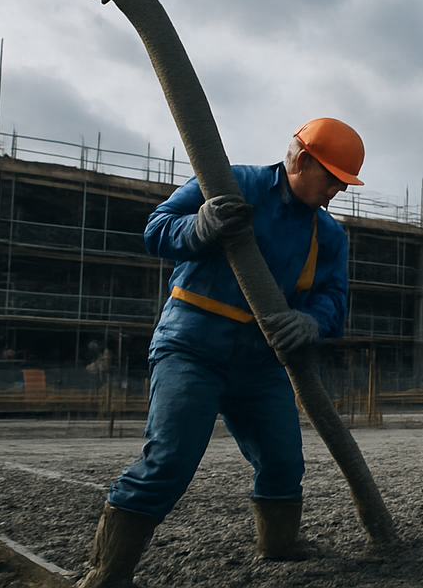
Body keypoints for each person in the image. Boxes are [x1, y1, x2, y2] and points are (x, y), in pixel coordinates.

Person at [77, 118, 362, 588]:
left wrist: (311, 321)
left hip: (262, 360)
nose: (338, 191)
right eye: (333, 178)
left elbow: (333, 297)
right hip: (192, 345)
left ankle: (280, 543)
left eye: (344, 182)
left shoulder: (329, 235)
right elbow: (157, 229)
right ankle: (108, 572)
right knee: (169, 459)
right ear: (303, 161)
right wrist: (199, 226)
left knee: (284, 462)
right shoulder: (230, 182)